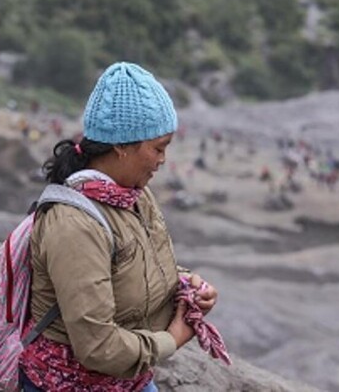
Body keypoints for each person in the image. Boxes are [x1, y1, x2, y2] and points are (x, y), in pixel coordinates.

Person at [20, 62, 220, 391]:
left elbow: (131, 265)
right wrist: (171, 340)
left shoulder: (135, 195)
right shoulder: (73, 224)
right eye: (158, 148)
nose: (162, 160)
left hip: (128, 379)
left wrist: (185, 283)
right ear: (122, 147)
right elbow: (97, 345)